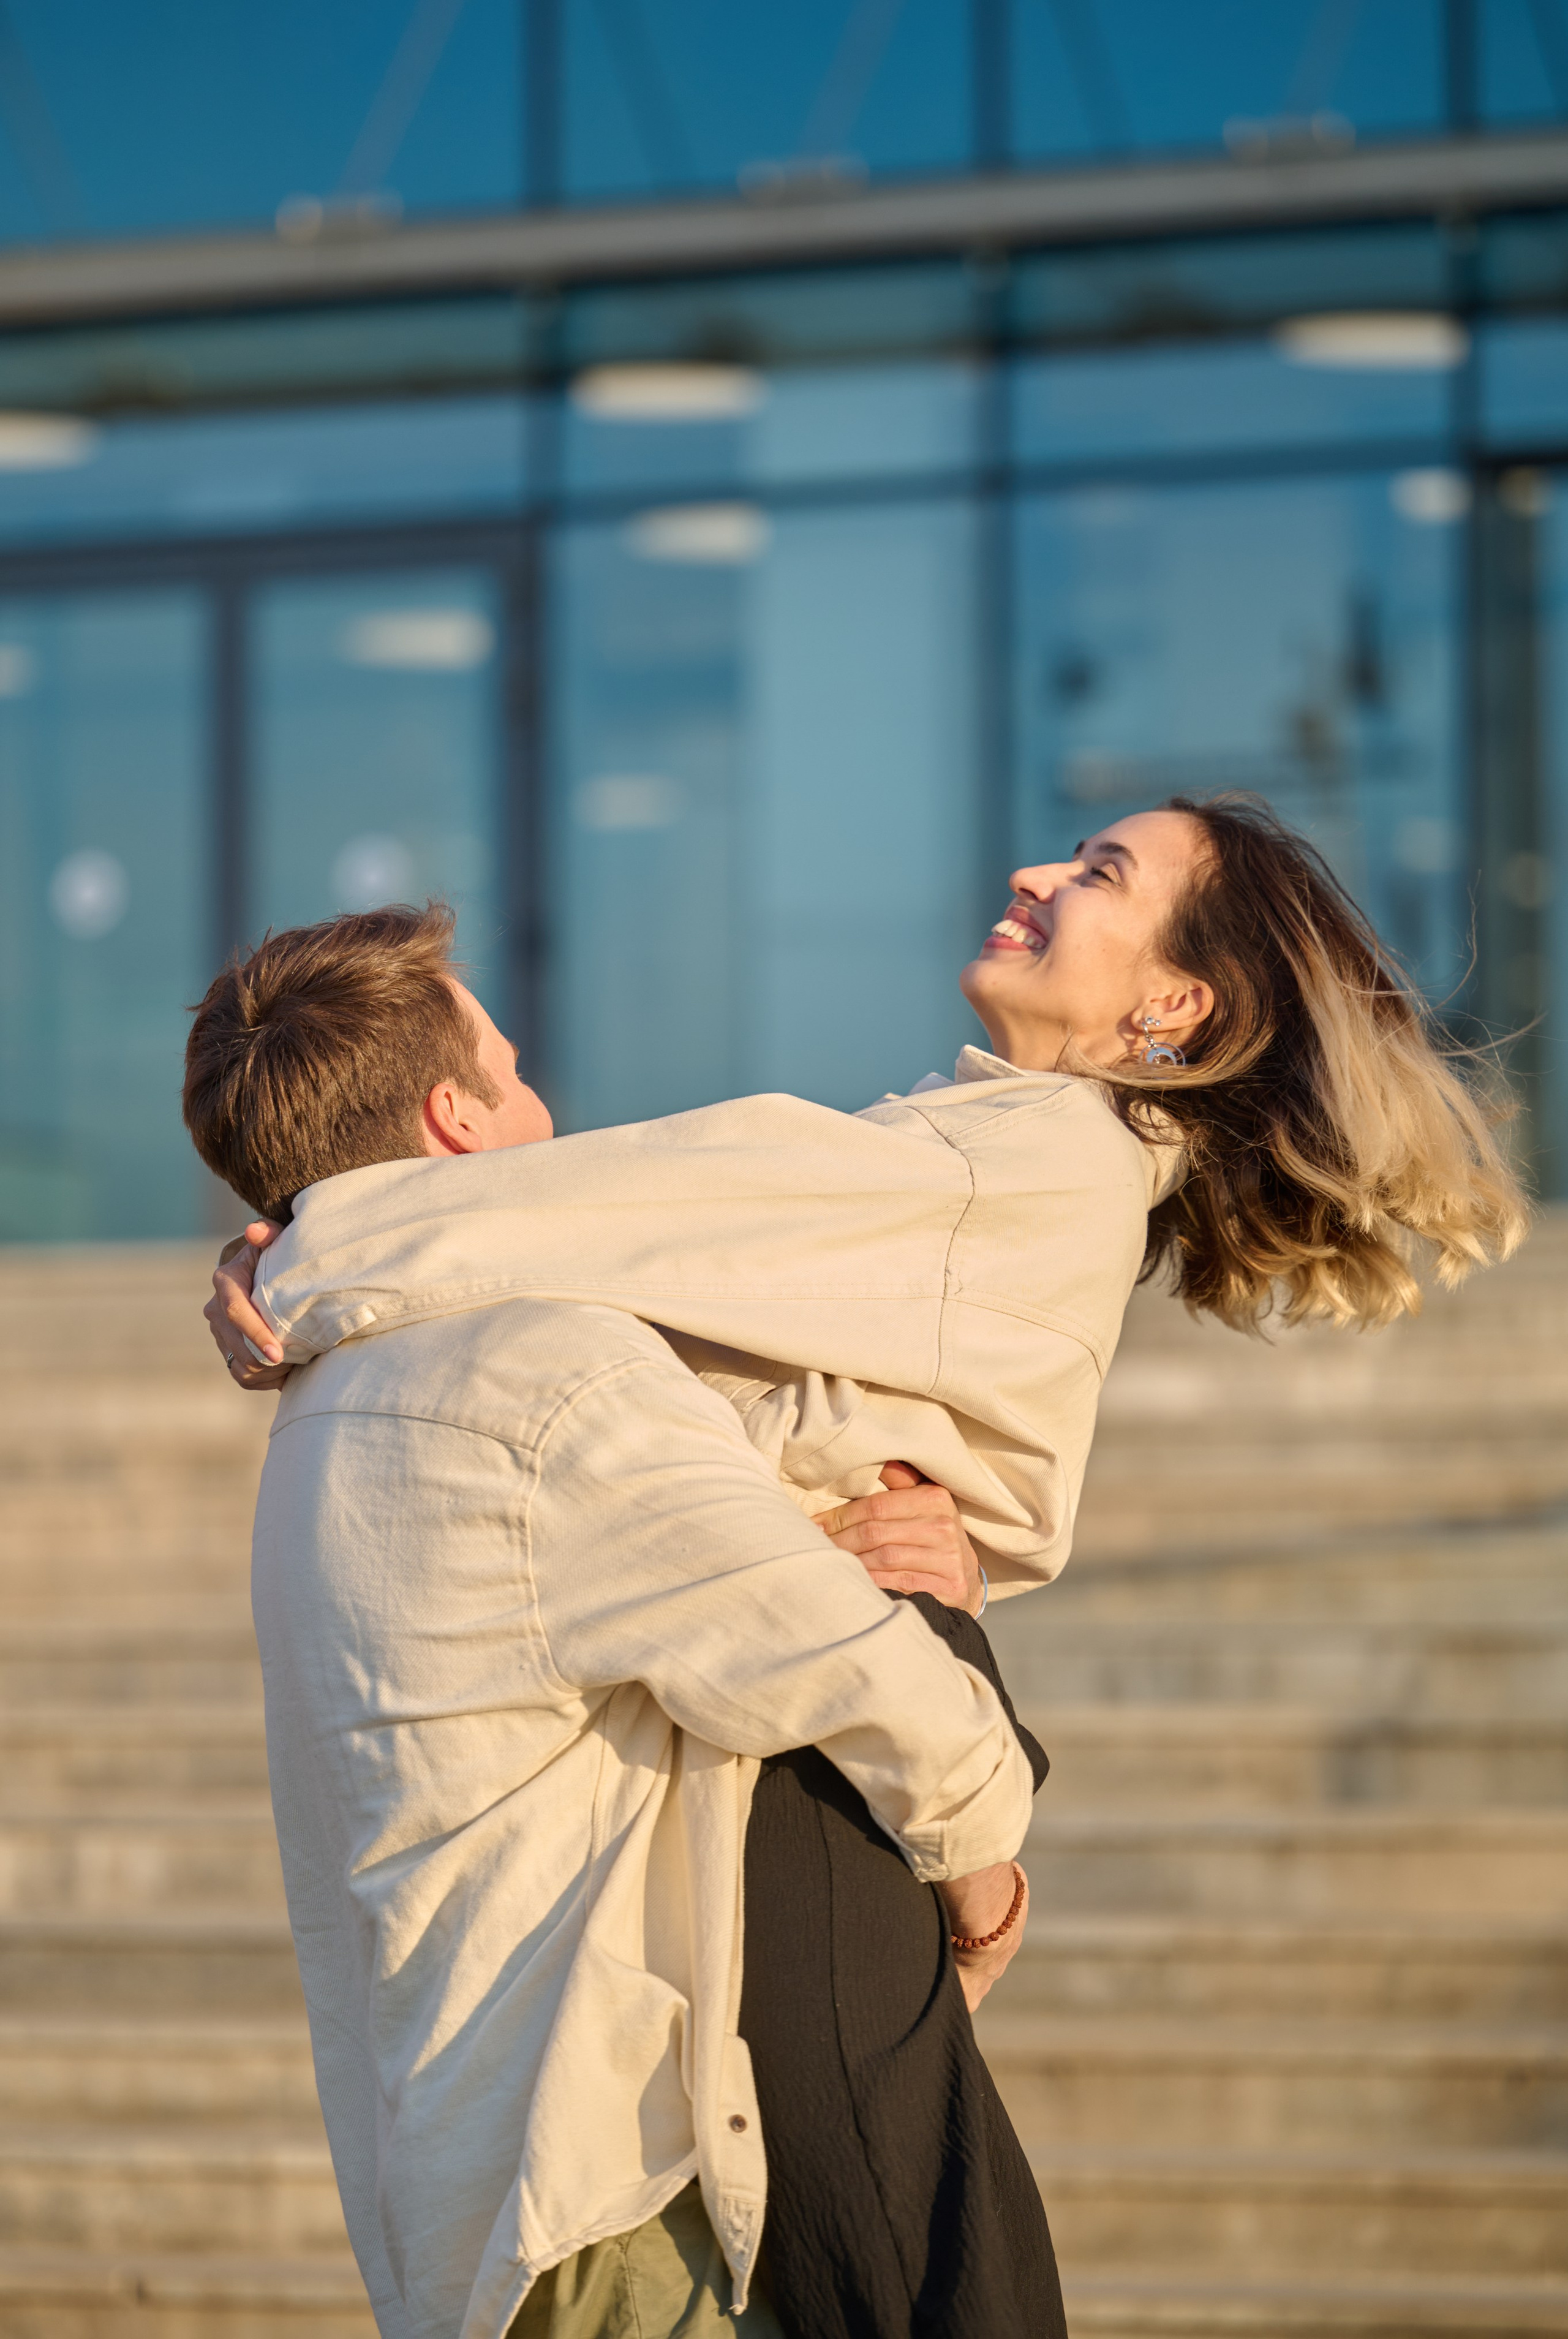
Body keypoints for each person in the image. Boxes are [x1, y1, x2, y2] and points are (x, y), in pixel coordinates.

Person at [202, 794, 1528, 2335]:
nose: (1036, 870)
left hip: (808, 1769)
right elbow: (624, 1282)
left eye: (1100, 872)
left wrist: (312, 1247)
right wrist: (316, 1243)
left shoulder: (1030, 1159)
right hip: (778, 1760)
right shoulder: (973, 1153)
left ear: (1173, 1007)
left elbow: (646, 1204)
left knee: (930, 2260)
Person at [182, 910, 1054, 2339]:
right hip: (615, 2206)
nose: (546, 1102)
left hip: (476, 2198)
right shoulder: (543, 1375)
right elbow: (840, 1664)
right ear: (454, 1119)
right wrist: (984, 1871)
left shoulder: (325, 1402)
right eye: (512, 1071)